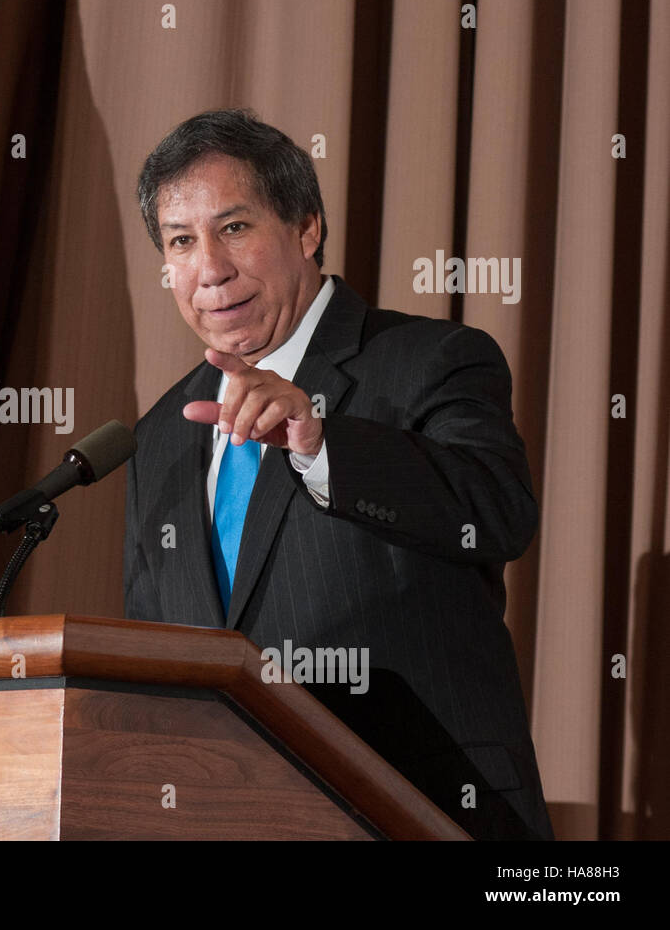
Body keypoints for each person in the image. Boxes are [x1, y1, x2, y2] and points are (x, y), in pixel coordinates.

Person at [123, 108, 553, 840]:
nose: (210, 270)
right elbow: (153, 648)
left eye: (234, 229)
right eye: (182, 242)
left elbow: (499, 511)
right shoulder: (163, 431)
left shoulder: (433, 359)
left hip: (424, 807)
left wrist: (322, 446)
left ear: (307, 228)